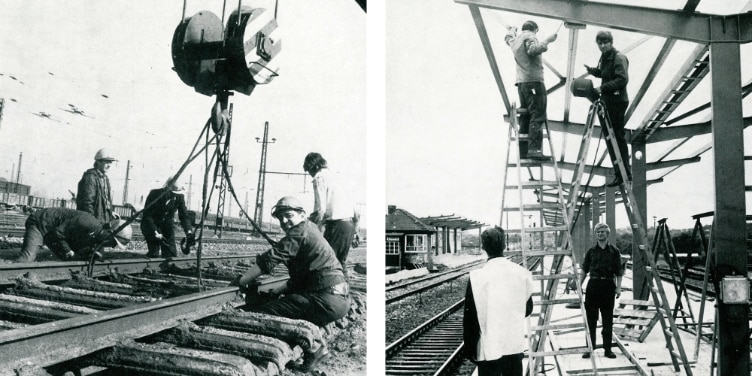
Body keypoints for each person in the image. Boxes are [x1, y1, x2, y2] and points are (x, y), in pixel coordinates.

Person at [230, 196, 349, 371]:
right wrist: (277, 291)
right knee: (284, 304)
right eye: (280, 218)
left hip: (325, 300)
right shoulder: (311, 228)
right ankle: (313, 344)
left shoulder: (299, 233)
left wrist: (240, 282)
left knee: (265, 312)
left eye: (289, 215)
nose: (284, 221)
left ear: (302, 215)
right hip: (338, 299)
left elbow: (269, 260)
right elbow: (300, 279)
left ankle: (315, 348)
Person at [463, 226, 534, 376]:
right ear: (504, 246)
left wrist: (470, 349)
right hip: (514, 344)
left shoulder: (477, 277)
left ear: (483, 247)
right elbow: (528, 309)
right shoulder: (522, 273)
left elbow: (470, 320)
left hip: (489, 347)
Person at [505, 20, 558, 160]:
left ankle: (523, 152)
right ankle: (534, 150)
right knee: (537, 113)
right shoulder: (530, 36)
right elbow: (532, 50)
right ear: (535, 29)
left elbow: (508, 38)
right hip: (534, 81)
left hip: (521, 84)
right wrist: (548, 40)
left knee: (526, 115)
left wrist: (512, 29)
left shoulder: (515, 40)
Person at [584, 31, 631, 187]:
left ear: (611, 42)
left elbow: (622, 79)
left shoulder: (619, 58)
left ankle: (625, 172)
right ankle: (619, 172)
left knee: (617, 135)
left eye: (605, 43)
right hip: (609, 101)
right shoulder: (605, 57)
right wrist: (593, 71)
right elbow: (607, 74)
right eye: (600, 43)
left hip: (617, 101)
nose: (602, 46)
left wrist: (602, 88)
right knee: (611, 138)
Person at [303, 152, 356, 278]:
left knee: (328, 261)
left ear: (314, 167)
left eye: (309, 170)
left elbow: (320, 209)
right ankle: (344, 292)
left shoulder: (319, 178)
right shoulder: (335, 176)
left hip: (336, 226)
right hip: (348, 224)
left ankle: (331, 292)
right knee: (339, 262)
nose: (310, 174)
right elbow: (355, 209)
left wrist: (307, 225)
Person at [14, 207, 132, 263]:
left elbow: (96, 248)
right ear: (109, 232)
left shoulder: (99, 233)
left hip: (54, 231)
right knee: (26, 260)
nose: (112, 246)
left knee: (73, 259)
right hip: (40, 223)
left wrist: (96, 254)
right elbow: (58, 233)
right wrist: (68, 251)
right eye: (113, 242)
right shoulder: (87, 223)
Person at [579, 222, 625, 359]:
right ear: (596, 234)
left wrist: (618, 288)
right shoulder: (591, 252)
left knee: (607, 320)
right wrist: (578, 286)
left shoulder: (614, 251)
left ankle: (607, 349)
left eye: (603, 232)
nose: (600, 234)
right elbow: (584, 270)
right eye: (598, 232)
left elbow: (619, 272)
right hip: (593, 285)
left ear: (607, 234)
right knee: (590, 319)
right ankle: (590, 348)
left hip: (608, 287)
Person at [140, 176, 194, 258]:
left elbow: (184, 216)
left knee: (171, 255)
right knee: (154, 254)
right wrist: (155, 232)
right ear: (167, 188)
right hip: (150, 225)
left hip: (167, 226)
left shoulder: (180, 197)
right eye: (173, 193)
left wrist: (189, 232)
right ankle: (153, 251)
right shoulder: (154, 195)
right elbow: (147, 215)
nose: (174, 195)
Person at [76, 148, 118, 222]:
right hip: (93, 221)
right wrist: (92, 222)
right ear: (98, 162)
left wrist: (110, 213)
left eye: (110, 162)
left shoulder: (105, 178)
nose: (109, 165)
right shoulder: (90, 178)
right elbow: (87, 203)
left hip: (103, 221)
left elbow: (105, 202)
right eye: (107, 162)